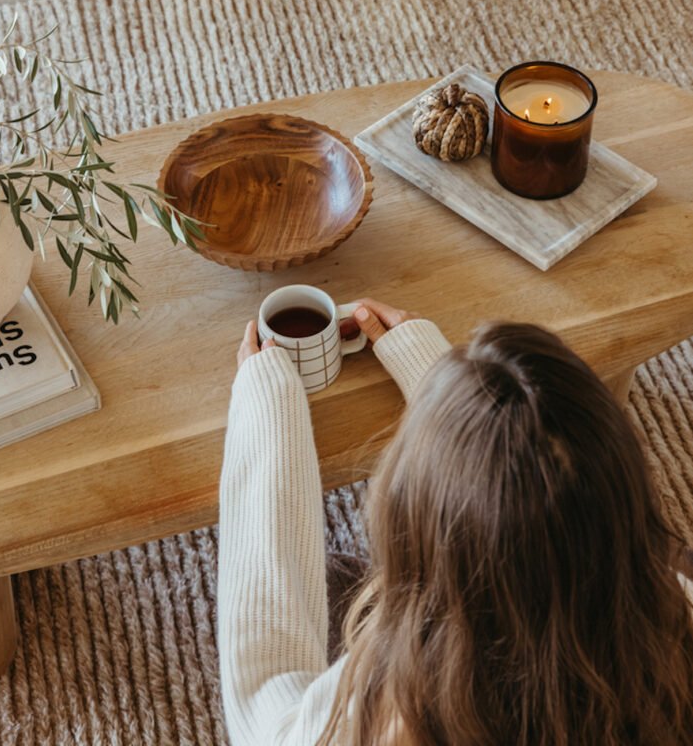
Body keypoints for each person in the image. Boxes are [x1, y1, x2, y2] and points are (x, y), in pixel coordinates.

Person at [217, 299, 693, 746]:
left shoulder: (397, 711)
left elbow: (266, 711)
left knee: (333, 579)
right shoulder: (675, 623)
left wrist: (267, 402)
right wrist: (462, 410)